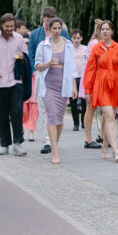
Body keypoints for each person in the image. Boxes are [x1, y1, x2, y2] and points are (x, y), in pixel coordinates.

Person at [83, 20, 118, 162]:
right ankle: (116, 151)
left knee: (110, 117)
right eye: (102, 29)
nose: (104, 31)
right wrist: (88, 88)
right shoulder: (96, 48)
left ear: (112, 31)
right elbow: (90, 69)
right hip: (101, 85)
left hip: (115, 86)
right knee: (109, 116)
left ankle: (105, 147)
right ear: (99, 32)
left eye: (107, 29)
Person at [0, 13, 29, 156]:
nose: (10, 29)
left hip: (15, 81)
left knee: (17, 112)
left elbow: (26, 55)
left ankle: (17, 143)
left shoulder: (19, 38)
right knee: (2, 114)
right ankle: (4, 144)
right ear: (1, 25)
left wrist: (22, 57)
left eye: (12, 26)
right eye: (7, 26)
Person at [34, 17, 77, 163]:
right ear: (49, 29)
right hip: (47, 85)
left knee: (59, 119)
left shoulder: (68, 45)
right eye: (54, 28)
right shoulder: (43, 45)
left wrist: (74, 86)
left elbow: (72, 68)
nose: (57, 31)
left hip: (63, 85)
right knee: (51, 115)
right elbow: (37, 65)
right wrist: (47, 63)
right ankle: (54, 149)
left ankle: (55, 143)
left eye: (59, 28)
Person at [27, 6, 70, 155]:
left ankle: (53, 141)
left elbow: (69, 54)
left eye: (51, 17)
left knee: (58, 113)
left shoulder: (63, 33)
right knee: (45, 109)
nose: (48, 21)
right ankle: (47, 142)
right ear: (43, 18)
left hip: (59, 76)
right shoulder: (35, 34)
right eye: (46, 18)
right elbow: (31, 54)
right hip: (42, 73)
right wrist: (35, 70)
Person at [80, 19, 103, 149]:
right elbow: (91, 65)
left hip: (102, 79)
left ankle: (102, 135)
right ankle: (88, 139)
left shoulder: (104, 43)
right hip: (93, 79)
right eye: (103, 29)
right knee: (91, 109)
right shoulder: (94, 43)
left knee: (106, 109)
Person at [69, 29, 88, 131]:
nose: (76, 40)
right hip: (72, 77)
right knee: (73, 102)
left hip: (83, 77)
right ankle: (75, 123)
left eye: (78, 38)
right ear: (71, 38)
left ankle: (83, 122)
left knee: (85, 101)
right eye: (74, 38)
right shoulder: (68, 49)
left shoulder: (85, 49)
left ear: (81, 38)